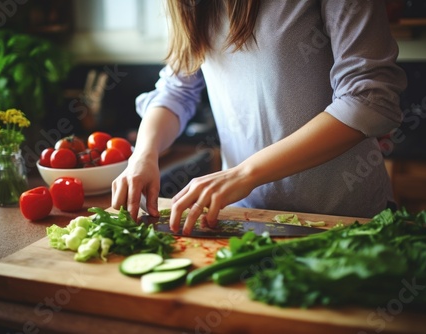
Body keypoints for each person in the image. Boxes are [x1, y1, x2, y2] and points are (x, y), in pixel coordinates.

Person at [112, 0, 407, 235]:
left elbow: (368, 100)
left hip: (343, 218)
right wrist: (143, 155)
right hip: (245, 220)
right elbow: (176, 91)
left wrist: (244, 174)